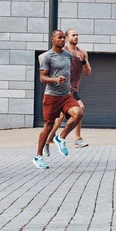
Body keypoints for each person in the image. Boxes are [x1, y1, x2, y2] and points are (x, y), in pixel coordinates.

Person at [34, 30, 83, 169]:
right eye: (59, 38)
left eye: (63, 37)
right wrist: (55, 79)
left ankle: (60, 138)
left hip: (66, 95)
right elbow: (42, 78)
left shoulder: (68, 55)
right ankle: (38, 156)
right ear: (53, 40)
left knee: (78, 113)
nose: (62, 40)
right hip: (51, 96)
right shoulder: (47, 57)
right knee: (48, 126)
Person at [44, 29, 91, 157]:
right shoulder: (63, 52)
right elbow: (44, 58)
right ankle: (77, 139)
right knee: (80, 107)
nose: (76, 37)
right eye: (73, 35)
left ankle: (47, 142)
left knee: (59, 118)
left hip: (75, 88)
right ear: (66, 37)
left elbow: (88, 72)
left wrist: (83, 61)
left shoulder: (82, 53)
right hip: (65, 88)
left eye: (77, 35)